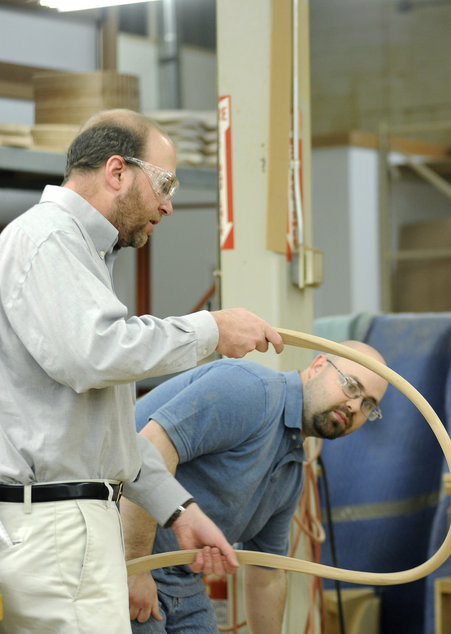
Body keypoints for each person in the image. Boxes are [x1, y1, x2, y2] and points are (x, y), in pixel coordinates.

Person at [0, 108, 284, 633]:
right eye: (165, 183)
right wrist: (211, 330)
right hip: (57, 529)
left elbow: (106, 433)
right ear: (116, 172)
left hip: (72, 526)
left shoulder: (81, 254)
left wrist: (180, 512)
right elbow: (96, 353)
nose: (169, 204)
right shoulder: (48, 240)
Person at [121, 341, 389, 633]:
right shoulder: (250, 390)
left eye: (368, 405)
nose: (354, 405)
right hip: (117, 554)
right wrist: (135, 567)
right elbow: (147, 454)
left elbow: (266, 576)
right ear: (318, 366)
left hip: (180, 580)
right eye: (351, 386)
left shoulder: (289, 475)